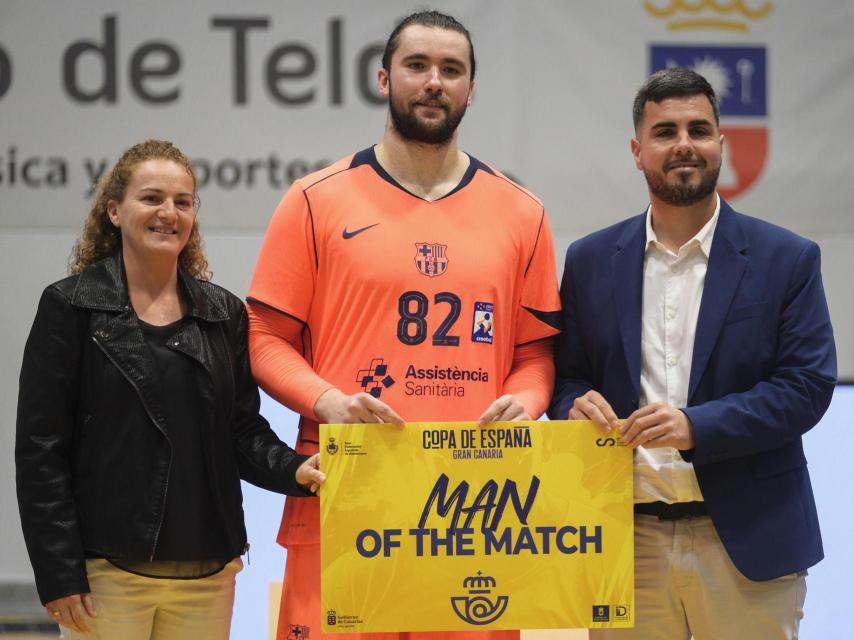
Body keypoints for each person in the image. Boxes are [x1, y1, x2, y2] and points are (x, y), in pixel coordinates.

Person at [247, 10, 561, 640]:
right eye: (417, 65)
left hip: (473, 503)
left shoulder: (521, 212)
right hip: (347, 489)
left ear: (471, 89)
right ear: (384, 77)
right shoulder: (315, 198)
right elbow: (263, 337)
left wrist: (526, 402)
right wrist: (327, 401)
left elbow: (536, 353)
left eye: (452, 69)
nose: (434, 82)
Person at [549, 67, 837, 639]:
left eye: (699, 129)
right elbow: (567, 379)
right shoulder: (589, 259)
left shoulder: (788, 258)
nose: (684, 144)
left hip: (749, 546)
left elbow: (806, 387)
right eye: (665, 131)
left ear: (721, 145)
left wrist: (693, 426)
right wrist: (574, 407)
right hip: (625, 543)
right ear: (638, 151)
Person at [15, 139, 326, 640]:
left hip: (209, 574)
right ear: (114, 210)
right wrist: (58, 572)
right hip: (106, 579)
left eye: (183, 202)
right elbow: (40, 455)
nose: (169, 213)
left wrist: (297, 470)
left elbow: (242, 431)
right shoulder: (69, 308)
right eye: (152, 198)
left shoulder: (223, 313)